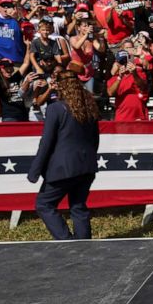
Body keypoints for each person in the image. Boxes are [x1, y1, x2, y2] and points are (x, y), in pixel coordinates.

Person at [28, 70, 101, 240]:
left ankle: (67, 242)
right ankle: (83, 245)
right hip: (87, 166)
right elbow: (95, 140)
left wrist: (35, 171)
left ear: (60, 86)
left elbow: (46, 143)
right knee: (78, 206)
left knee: (44, 204)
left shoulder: (56, 108)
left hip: (63, 168)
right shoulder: (89, 107)